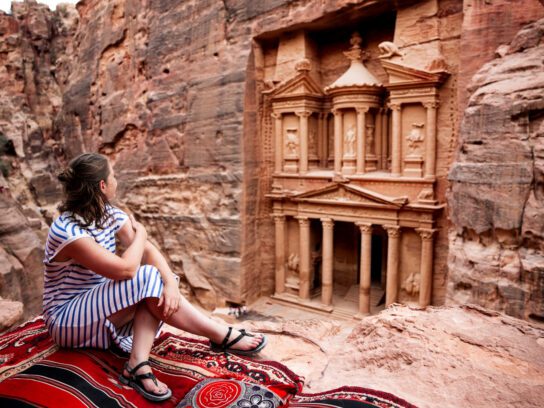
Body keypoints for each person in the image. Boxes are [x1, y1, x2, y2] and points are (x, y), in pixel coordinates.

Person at [43, 153, 267, 402]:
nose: (116, 179)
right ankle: (219, 334)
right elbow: (127, 269)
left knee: (155, 284)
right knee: (147, 277)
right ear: (103, 186)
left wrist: (171, 284)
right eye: (113, 175)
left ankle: (138, 364)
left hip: (97, 312)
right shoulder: (67, 232)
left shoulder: (108, 214)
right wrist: (141, 234)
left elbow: (148, 251)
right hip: (65, 321)